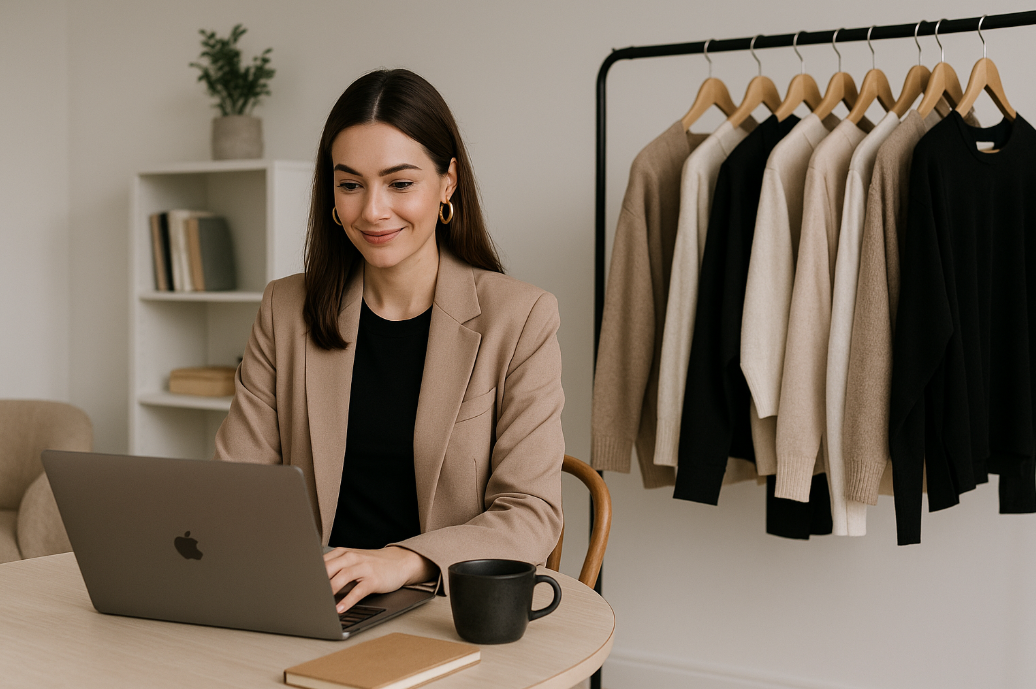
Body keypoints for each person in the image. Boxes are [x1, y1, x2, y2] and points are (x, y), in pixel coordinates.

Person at [213, 69, 565, 614]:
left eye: (400, 183)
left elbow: (531, 512)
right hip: (308, 600)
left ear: (448, 182)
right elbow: (237, 486)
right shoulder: (286, 310)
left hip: (441, 609)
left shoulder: (519, 318)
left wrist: (402, 560)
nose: (372, 210)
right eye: (350, 184)